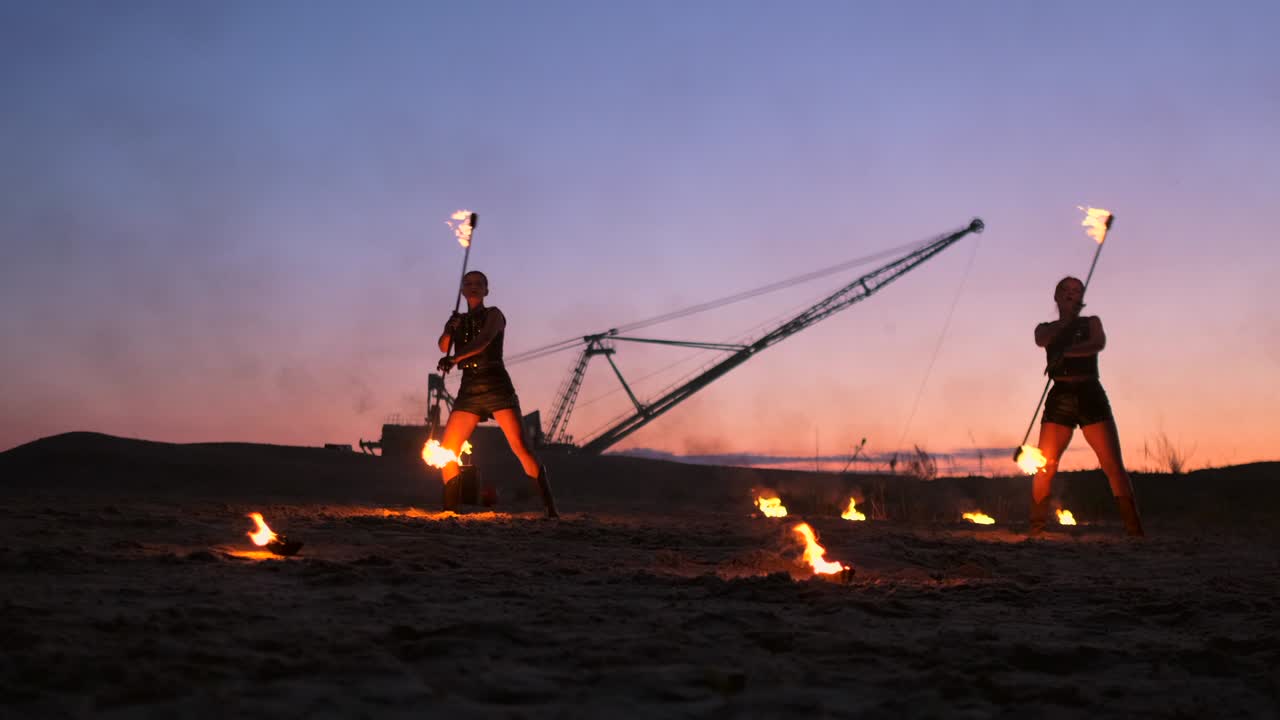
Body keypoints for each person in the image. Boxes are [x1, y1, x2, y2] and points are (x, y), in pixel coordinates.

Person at [436, 270, 558, 517]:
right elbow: (443, 346)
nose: (473, 287)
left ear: (486, 290)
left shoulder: (495, 315)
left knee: (521, 448)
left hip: (495, 384)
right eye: (468, 283)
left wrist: (455, 358)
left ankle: (549, 507)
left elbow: (484, 341)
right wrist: (449, 329)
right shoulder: (458, 320)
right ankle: (450, 509)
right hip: (469, 388)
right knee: (449, 447)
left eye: (478, 284)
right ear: (462, 290)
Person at [1029, 276, 1143, 537]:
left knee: (1112, 464)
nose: (1071, 293)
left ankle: (1134, 531)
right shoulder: (1045, 328)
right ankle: (1036, 530)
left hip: (1090, 393)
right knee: (1045, 465)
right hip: (1060, 396)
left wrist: (1065, 352)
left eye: (1076, 290)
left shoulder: (1091, 323)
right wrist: (1065, 325)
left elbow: (1096, 344)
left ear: (1081, 298)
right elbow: (1041, 339)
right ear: (1057, 296)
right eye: (1066, 290)